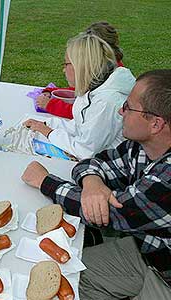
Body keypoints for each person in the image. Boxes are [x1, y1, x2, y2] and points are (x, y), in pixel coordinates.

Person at [21, 69, 171, 299]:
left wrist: (45, 182)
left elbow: (108, 213)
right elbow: (97, 161)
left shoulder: (167, 178)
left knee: (65, 281)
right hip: (147, 246)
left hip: (162, 272)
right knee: (60, 271)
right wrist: (91, 182)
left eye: (129, 107)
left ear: (156, 124)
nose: (121, 111)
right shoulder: (144, 146)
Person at [25, 33, 135, 159]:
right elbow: (80, 126)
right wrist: (46, 123)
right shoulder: (95, 87)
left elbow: (85, 151)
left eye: (65, 64)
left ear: (80, 66)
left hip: (109, 163)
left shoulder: (107, 101)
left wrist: (48, 132)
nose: (63, 70)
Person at [37, 21, 125, 120]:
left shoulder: (108, 87)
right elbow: (82, 90)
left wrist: (51, 105)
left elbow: (84, 112)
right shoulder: (105, 71)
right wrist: (53, 92)